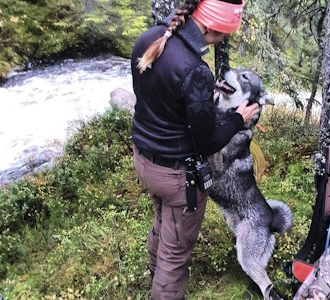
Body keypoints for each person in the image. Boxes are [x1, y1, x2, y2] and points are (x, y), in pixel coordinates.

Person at [130, 0, 259, 299]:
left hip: (145, 158)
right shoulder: (195, 70)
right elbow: (208, 142)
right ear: (215, 28)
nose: (224, 39)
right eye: (225, 33)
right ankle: (163, 287)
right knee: (175, 257)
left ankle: (153, 267)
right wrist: (239, 118)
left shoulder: (149, 39)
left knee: (163, 219)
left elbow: (156, 100)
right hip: (177, 175)